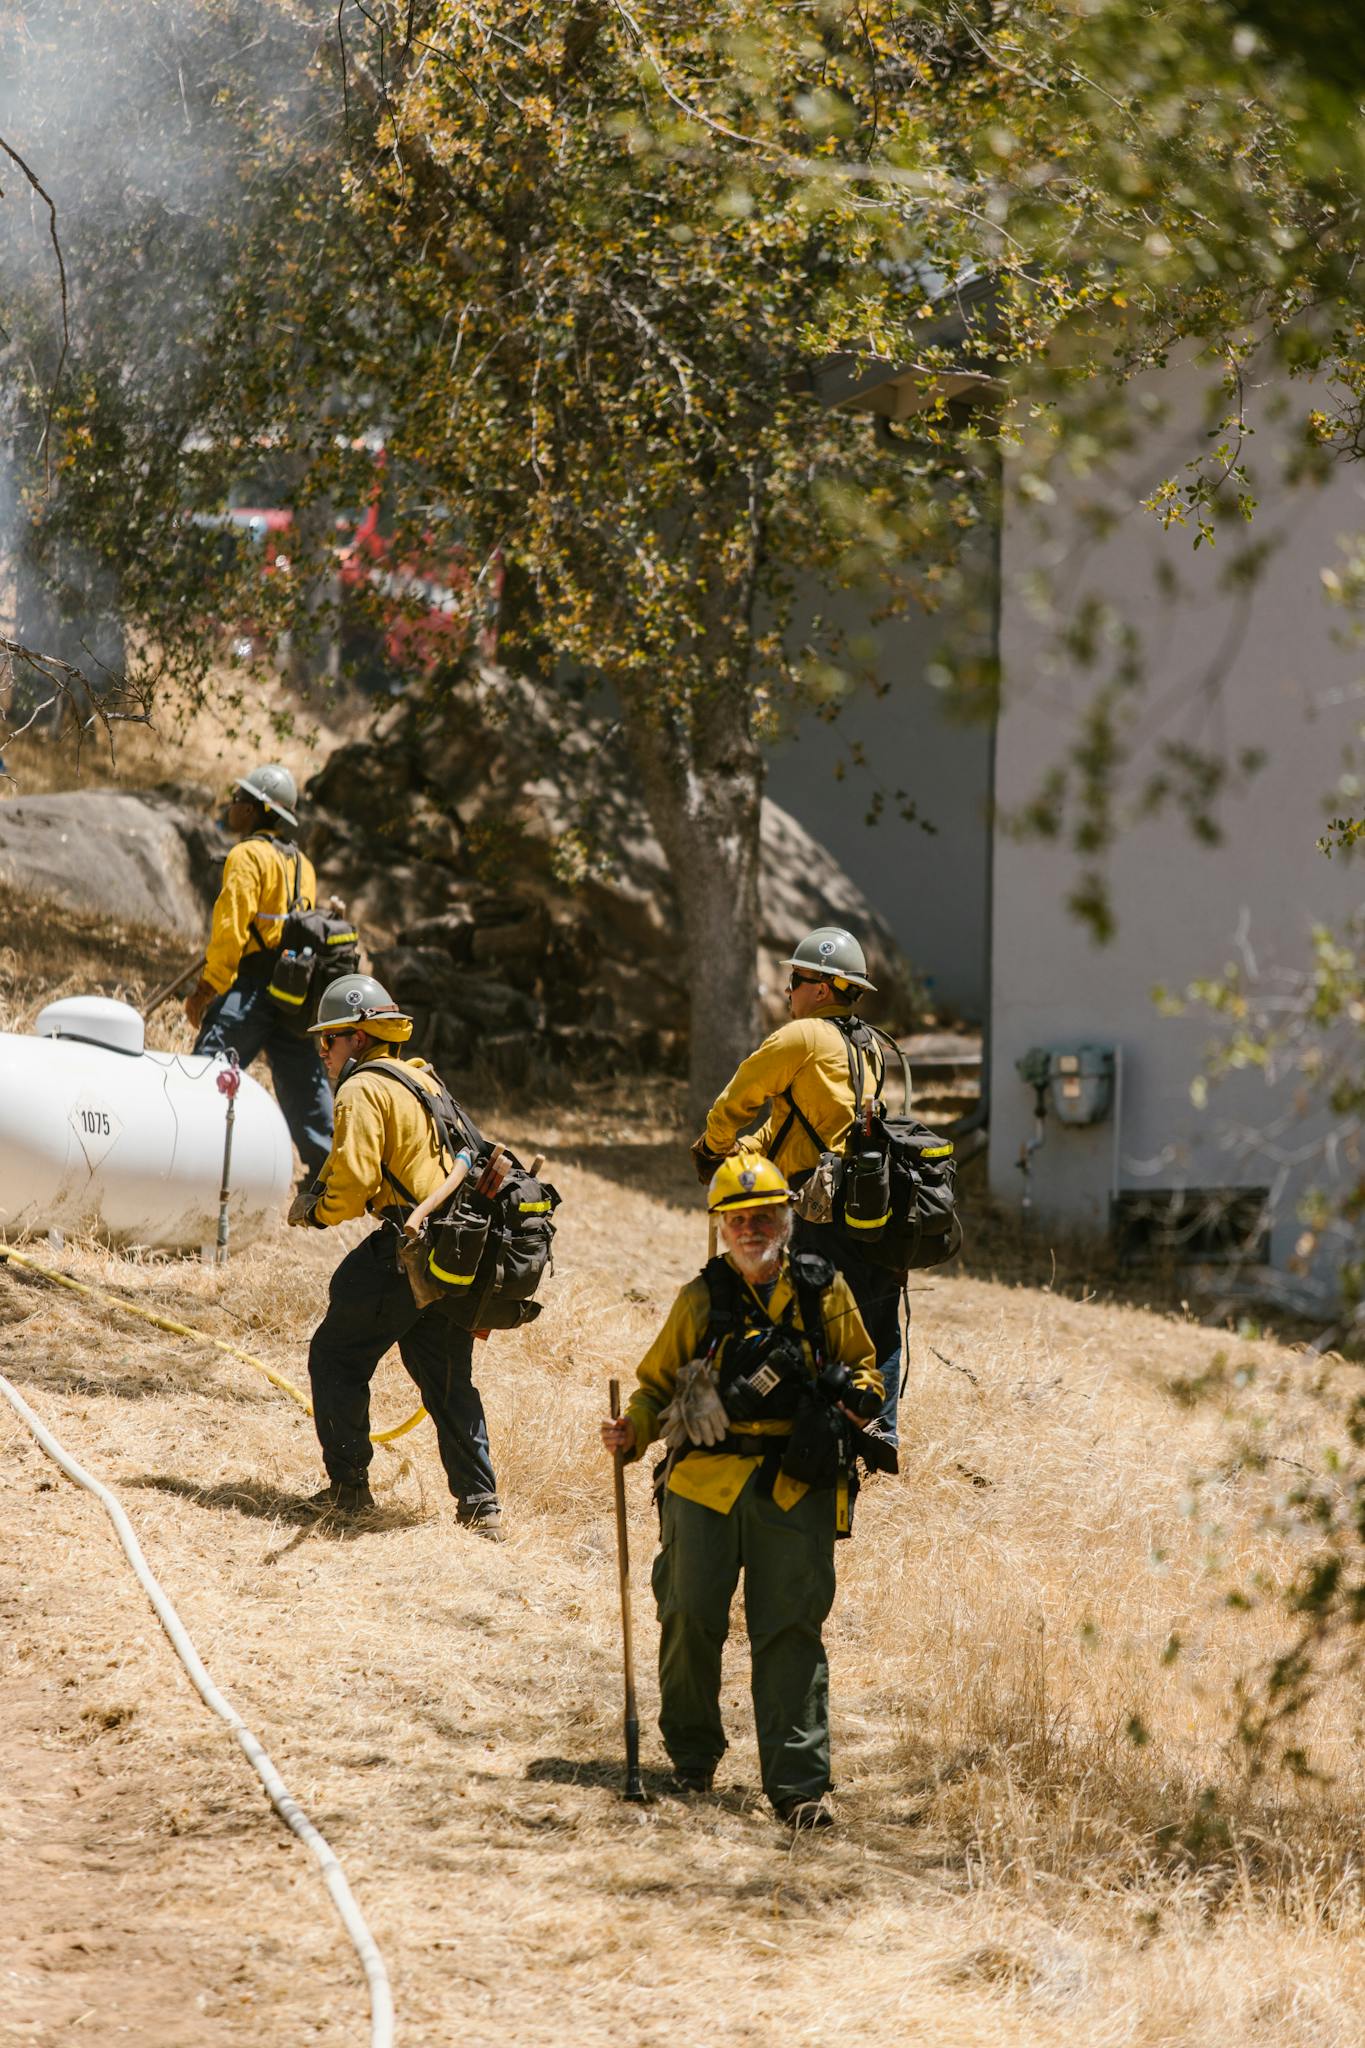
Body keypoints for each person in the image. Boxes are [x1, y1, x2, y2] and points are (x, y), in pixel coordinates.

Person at [601, 1155, 882, 1829]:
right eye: (738, 1218)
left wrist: (853, 1399)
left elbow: (867, 1371)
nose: (752, 1228)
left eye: (764, 1216)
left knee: (789, 1632)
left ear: (788, 1219)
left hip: (796, 1486)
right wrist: (631, 1431)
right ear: (720, 1227)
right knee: (688, 1617)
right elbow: (654, 1387)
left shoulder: (823, 1291)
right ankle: (692, 1760)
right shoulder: (699, 1299)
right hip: (703, 1483)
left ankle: (798, 1787)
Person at [288, 973, 503, 1537]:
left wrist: (315, 1210)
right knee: (448, 1379)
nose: (322, 1054)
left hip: (409, 1245)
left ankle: (350, 1491)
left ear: (356, 1038)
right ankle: (481, 1507)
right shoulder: (417, 1075)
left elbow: (355, 1180)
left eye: (327, 1040)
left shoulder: (361, 1089)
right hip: (455, 1249)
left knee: (335, 1355)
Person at [691, 926, 905, 1446]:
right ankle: (879, 1428)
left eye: (795, 979)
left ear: (823, 988)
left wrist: (716, 1143)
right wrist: (746, 1154)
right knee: (878, 1321)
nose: (788, 990)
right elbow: (791, 1123)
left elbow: (737, 1098)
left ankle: (824, 1437)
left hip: (821, 1212)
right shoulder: (867, 1045)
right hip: (875, 1202)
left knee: (815, 1324)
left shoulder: (801, 1036)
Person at [184, 764, 333, 1177]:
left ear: (255, 811)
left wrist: (206, 989)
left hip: (252, 989)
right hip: (294, 993)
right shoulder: (304, 865)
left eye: (238, 800)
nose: (231, 807)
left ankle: (184, 1158)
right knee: (305, 1086)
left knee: (206, 1076)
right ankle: (332, 1176)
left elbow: (230, 930)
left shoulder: (247, 855)